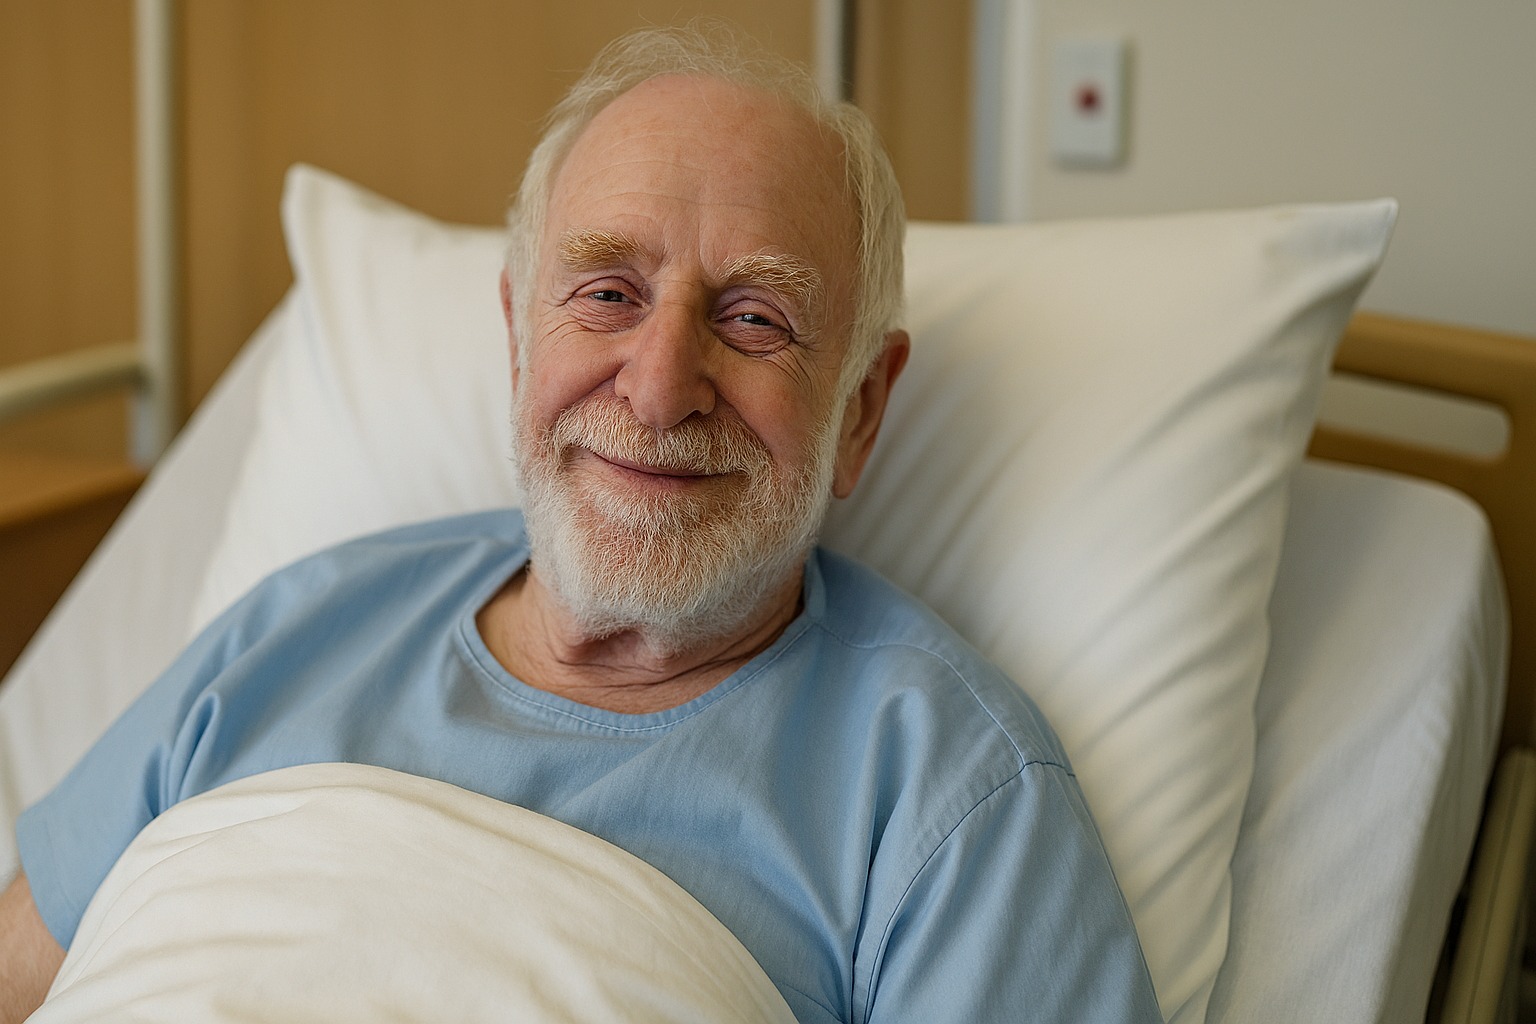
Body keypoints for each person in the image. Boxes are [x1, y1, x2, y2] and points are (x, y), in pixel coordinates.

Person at [0, 25, 1161, 1023]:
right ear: (517, 340)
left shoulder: (949, 797)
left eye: (755, 319)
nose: (659, 389)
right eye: (607, 293)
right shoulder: (291, 625)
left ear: (859, 411)